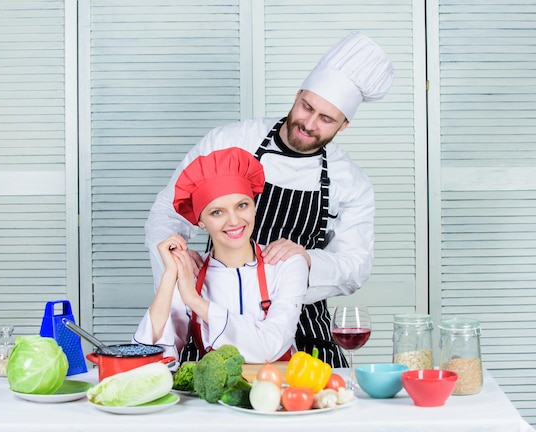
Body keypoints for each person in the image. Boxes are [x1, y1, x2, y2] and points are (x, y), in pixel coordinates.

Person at [144, 31, 394, 366]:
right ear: (297, 95)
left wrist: (305, 260)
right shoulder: (231, 139)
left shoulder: (350, 181)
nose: (308, 123)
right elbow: (168, 209)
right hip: (211, 318)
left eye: (326, 119)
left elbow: (355, 266)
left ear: (344, 125)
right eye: (306, 107)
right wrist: (175, 263)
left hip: (301, 330)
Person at [133, 147, 308, 363]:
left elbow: (269, 348)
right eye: (217, 212)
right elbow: (150, 354)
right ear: (200, 221)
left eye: (242, 205)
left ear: (254, 207)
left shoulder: (287, 264)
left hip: (278, 390)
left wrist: (194, 301)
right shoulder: (191, 273)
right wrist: (170, 275)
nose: (234, 221)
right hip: (214, 395)